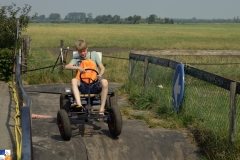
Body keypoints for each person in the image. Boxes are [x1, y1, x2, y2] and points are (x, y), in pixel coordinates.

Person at [64, 39, 108, 117]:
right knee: (73, 80)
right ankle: (79, 105)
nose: (82, 53)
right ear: (77, 51)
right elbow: (66, 66)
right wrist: (78, 68)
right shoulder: (76, 58)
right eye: (80, 52)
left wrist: (100, 74)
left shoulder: (93, 55)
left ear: (87, 48)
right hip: (83, 86)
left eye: (84, 51)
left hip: (94, 84)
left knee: (105, 82)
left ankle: (101, 110)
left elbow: (102, 67)